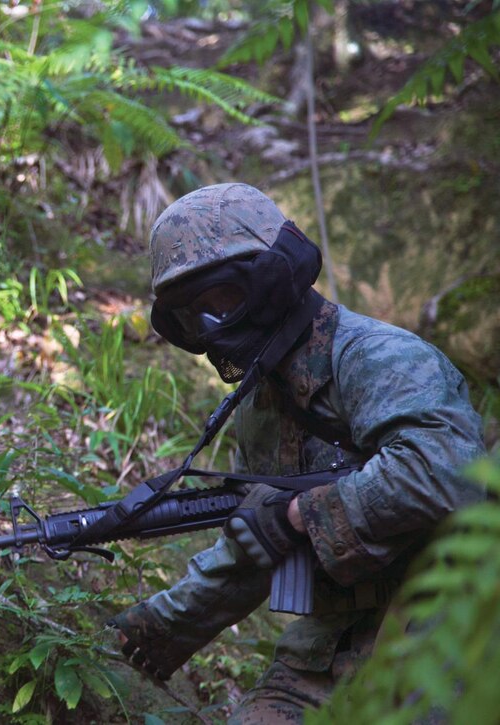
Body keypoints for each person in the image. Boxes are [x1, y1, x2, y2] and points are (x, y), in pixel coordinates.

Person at [106, 183, 485, 722]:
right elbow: (252, 548)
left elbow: (446, 472)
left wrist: (298, 514)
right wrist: (146, 631)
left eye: (225, 300)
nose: (214, 328)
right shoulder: (258, 409)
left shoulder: (379, 357)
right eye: (194, 317)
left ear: (273, 278)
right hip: (330, 653)